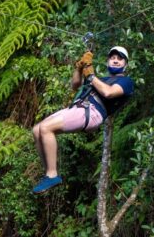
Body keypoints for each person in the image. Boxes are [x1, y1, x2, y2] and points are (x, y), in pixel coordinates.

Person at [31, 46, 134, 194]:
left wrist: (91, 75)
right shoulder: (103, 79)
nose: (115, 61)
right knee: (36, 130)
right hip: (78, 107)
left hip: (92, 112)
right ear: (107, 61)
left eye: (120, 58)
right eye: (113, 58)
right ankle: (48, 172)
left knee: (46, 128)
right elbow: (75, 85)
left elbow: (108, 92)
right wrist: (79, 68)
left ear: (126, 64)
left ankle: (52, 174)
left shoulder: (126, 82)